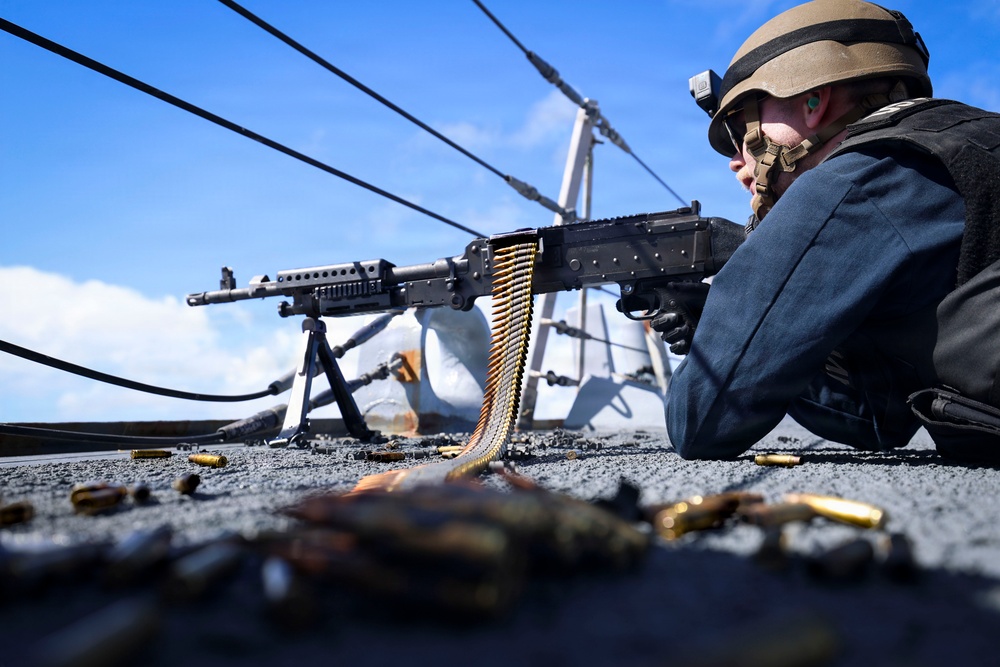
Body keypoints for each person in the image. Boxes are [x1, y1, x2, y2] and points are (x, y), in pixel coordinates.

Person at [656, 0, 1000, 463]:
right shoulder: (966, 146)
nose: (737, 160)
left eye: (743, 129)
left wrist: (734, 308)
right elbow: (879, 416)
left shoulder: (860, 180)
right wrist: (743, 333)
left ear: (812, 102)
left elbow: (699, 421)